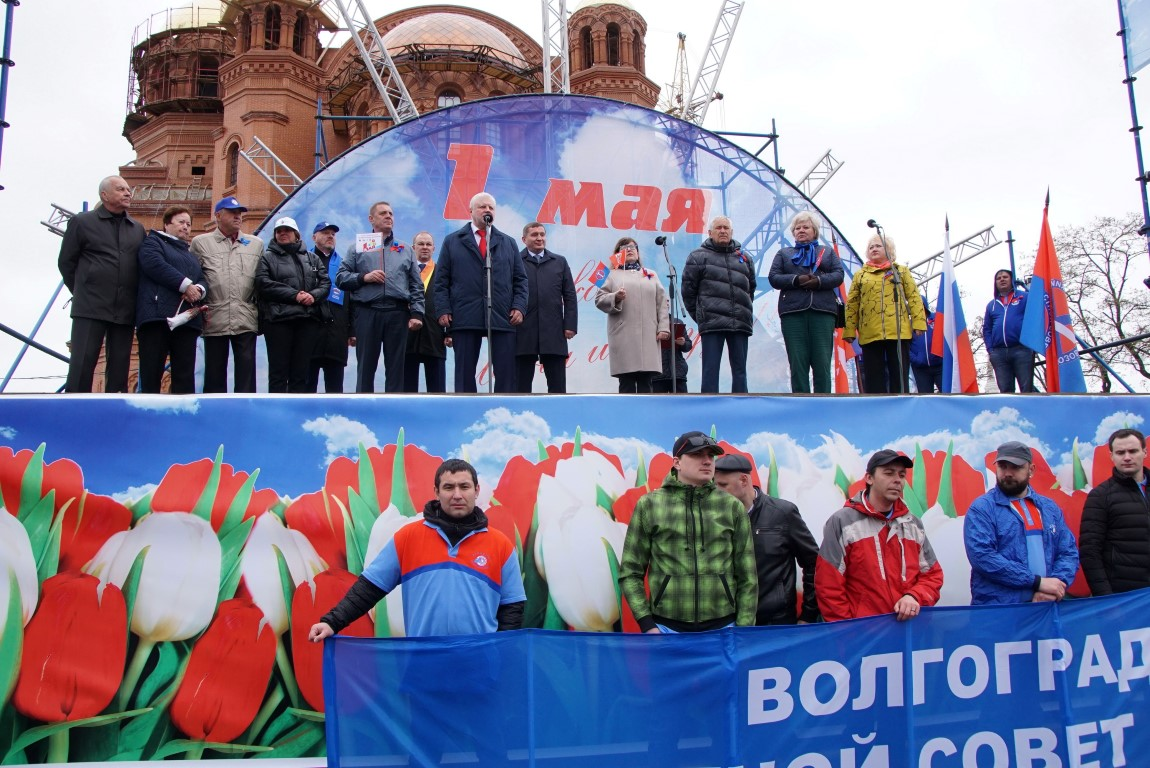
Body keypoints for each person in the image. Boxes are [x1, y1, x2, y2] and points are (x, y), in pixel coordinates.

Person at [307, 458, 525, 639]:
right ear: (436, 492)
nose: (457, 495)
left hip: (479, 663)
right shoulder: (408, 537)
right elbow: (369, 588)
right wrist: (332, 622)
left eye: (464, 486)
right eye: (448, 487)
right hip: (421, 661)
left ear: (476, 491)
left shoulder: (500, 545)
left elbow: (512, 607)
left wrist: (500, 652)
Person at [619, 431, 758, 632]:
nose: (707, 461)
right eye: (697, 454)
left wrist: (743, 628)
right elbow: (630, 571)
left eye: (711, 455)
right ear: (677, 462)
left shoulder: (730, 507)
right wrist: (647, 624)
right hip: (666, 630)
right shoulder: (650, 505)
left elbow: (748, 576)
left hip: (724, 629)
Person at [815, 449, 943, 621]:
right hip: (863, 636)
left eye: (902, 475)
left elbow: (932, 576)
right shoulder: (842, 522)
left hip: (907, 633)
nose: (897, 480)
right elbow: (828, 586)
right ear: (869, 478)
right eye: (889, 473)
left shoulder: (913, 524)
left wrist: (914, 596)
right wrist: (848, 632)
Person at [58, 175, 145, 393]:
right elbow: (66, 263)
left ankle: (116, 414)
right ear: (104, 195)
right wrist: (83, 290)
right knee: (82, 364)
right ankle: (75, 411)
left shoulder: (136, 229)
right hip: (90, 307)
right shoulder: (82, 222)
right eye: (120, 189)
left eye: (128, 189)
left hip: (124, 308)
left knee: (120, 367)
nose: (127, 193)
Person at [433, 192, 528, 393]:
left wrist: (519, 306)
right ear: (471, 211)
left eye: (491, 208)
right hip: (465, 313)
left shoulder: (508, 242)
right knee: (465, 371)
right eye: (482, 207)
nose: (487, 210)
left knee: (506, 372)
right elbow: (441, 280)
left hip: (502, 314)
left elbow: (520, 279)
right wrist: (443, 309)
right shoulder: (453, 241)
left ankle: (504, 411)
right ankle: (466, 412)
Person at [963, 441, 1079, 605]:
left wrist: (1055, 585)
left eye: (1015, 467)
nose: (1008, 473)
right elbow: (982, 556)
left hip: (1045, 605)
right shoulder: (982, 508)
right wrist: (1037, 582)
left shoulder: (1049, 508)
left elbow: (1068, 551)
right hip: (999, 611)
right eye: (1003, 466)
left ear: (1031, 470)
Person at [713, 454, 820, 625]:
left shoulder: (782, 513)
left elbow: (814, 563)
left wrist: (809, 614)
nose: (716, 492)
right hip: (730, 624)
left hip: (776, 624)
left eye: (723, 485)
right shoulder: (713, 518)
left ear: (743, 480)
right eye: (714, 485)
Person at [335, 202, 424, 393]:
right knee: (365, 367)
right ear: (371, 219)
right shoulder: (358, 247)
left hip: (397, 313)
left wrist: (417, 313)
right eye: (383, 213)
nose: (388, 216)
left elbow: (416, 284)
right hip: (367, 312)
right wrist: (363, 277)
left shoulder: (405, 248)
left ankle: (393, 411)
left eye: (391, 213)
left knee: (396, 368)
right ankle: (364, 410)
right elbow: (341, 278)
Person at [192, 196, 264, 393]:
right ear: (217, 215)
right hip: (214, 316)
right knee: (214, 373)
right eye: (232, 212)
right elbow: (194, 276)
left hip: (246, 316)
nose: (237, 216)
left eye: (239, 213)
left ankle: (246, 413)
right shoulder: (200, 243)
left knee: (247, 375)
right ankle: (214, 416)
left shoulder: (256, 244)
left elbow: (262, 281)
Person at [767, 212, 844, 393]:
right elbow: (774, 277)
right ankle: (801, 403)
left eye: (805, 227)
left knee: (822, 362)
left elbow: (838, 275)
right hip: (793, 313)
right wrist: (796, 280)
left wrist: (819, 281)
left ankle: (823, 404)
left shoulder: (827, 252)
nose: (801, 230)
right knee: (797, 362)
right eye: (797, 228)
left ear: (814, 231)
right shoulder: (784, 253)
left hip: (823, 312)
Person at [842, 233, 927, 394]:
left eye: (878, 246)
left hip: (898, 332)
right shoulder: (861, 275)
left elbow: (914, 297)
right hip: (870, 332)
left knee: (899, 376)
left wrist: (919, 322)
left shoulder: (900, 271)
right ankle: (877, 410)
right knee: (874, 378)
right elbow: (852, 303)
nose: (874, 249)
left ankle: (901, 407)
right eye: (871, 247)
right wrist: (849, 330)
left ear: (888, 249)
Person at [135, 205, 206, 394]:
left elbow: (202, 278)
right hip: (157, 317)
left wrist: (198, 289)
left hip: (186, 321)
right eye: (181, 222)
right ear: (166, 224)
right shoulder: (153, 242)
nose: (186, 227)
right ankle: (149, 415)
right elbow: (155, 265)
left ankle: (182, 416)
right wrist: (185, 285)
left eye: (189, 224)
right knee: (152, 372)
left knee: (184, 375)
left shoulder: (190, 254)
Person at [255, 217, 330, 393]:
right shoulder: (267, 258)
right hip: (278, 321)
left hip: (307, 321)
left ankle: (297, 415)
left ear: (296, 234)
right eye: (279, 231)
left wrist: (313, 296)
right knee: (278, 372)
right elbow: (263, 284)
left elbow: (325, 283)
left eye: (287, 230)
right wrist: (295, 295)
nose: (283, 234)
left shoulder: (312, 258)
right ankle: (277, 413)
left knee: (301, 373)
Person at [682, 215, 756, 393]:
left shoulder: (745, 258)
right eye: (718, 228)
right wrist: (702, 316)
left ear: (731, 232)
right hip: (712, 323)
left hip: (740, 322)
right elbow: (688, 292)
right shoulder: (697, 256)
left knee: (740, 372)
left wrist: (742, 311)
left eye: (726, 228)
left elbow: (750, 289)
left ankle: (740, 407)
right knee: (710, 371)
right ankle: (708, 409)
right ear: (710, 233)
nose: (722, 231)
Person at [1079, 429, 1150, 595]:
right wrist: (1107, 600)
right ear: (1112, 456)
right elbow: (1090, 552)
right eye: (1120, 452)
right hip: (1125, 597)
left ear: (1144, 452)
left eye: (1133, 451)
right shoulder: (1100, 495)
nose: (1127, 457)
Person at [594, 238, 670, 393]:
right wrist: (615, 297)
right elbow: (599, 299)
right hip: (623, 335)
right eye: (624, 247)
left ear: (638, 252)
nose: (629, 250)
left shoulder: (651, 274)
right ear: (617, 253)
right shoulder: (610, 274)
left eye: (632, 247)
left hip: (649, 336)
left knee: (646, 382)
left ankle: (646, 415)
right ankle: (626, 416)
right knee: (626, 383)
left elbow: (661, 302)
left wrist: (663, 327)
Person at [515, 222, 578, 393]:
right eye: (534, 234)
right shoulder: (515, 261)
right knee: (520, 387)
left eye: (542, 234)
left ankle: (559, 417)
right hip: (522, 331)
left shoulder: (559, 262)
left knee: (557, 387)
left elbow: (570, 295)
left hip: (554, 331)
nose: (539, 238)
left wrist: (570, 325)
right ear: (524, 239)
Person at [308, 222, 353, 393]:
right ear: (314, 237)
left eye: (333, 234)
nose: (330, 236)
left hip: (336, 333)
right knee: (307, 385)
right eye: (325, 232)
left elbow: (352, 298)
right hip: (310, 330)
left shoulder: (344, 264)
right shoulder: (304, 260)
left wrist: (352, 331)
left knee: (335, 388)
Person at [404, 231, 447, 393]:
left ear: (434, 248)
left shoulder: (442, 273)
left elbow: (450, 302)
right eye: (421, 244)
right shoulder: (404, 272)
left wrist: (449, 332)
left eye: (428, 244)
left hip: (435, 335)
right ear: (413, 247)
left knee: (437, 390)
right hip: (407, 336)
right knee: (406, 390)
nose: (424, 247)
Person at [982, 269, 1034, 392]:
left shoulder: (1024, 297)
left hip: (1021, 349)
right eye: (998, 278)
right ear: (995, 283)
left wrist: (1030, 343)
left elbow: (1034, 319)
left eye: (1005, 277)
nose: (1002, 279)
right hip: (999, 353)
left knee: (1026, 388)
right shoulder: (992, 305)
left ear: (1011, 280)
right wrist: (991, 350)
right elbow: (987, 329)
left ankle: (1029, 411)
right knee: (1005, 390)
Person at [651, 316, 693, 393]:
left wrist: (683, 343)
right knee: (658, 404)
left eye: (668, 302)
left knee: (681, 404)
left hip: (677, 373)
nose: (666, 304)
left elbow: (688, 345)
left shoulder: (677, 321)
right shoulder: (650, 322)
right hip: (657, 375)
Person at [910, 298, 944, 393]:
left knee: (947, 396)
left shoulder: (937, 319)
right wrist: (915, 360)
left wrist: (942, 356)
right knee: (925, 399)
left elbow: (946, 337)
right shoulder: (909, 324)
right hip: (921, 369)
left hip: (940, 366)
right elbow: (905, 346)